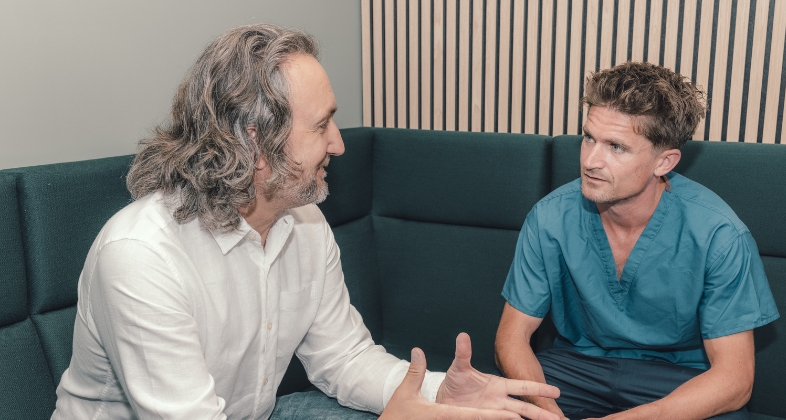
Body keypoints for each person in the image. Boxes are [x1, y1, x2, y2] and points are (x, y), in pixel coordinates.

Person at [51, 24, 561, 420]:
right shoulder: (141, 258)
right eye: (321, 126)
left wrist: (437, 393)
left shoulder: (306, 223)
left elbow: (344, 359)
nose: (338, 143)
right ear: (255, 145)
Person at [495, 62, 779, 420]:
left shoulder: (719, 236)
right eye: (589, 138)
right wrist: (546, 412)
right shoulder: (549, 217)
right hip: (575, 369)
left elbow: (735, 379)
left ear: (665, 161)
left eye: (616, 147)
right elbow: (511, 338)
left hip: (678, 381)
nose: (591, 161)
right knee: (493, 406)